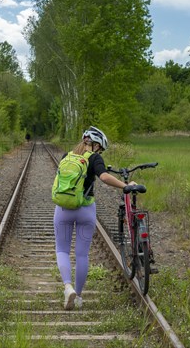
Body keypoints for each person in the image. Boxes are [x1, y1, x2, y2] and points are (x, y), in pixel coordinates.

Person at [53, 126, 136, 310]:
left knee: (62, 251)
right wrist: (125, 186)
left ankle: (68, 287)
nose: (101, 151)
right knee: (82, 254)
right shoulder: (95, 158)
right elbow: (105, 177)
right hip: (86, 210)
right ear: (96, 145)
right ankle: (79, 297)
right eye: (101, 148)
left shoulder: (66, 156)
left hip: (64, 208)